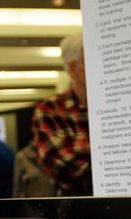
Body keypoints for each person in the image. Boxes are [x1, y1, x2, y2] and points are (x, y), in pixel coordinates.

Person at [31, 32, 91, 196]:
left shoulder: (117, 107)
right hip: (78, 213)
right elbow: (63, 168)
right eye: (91, 60)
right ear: (72, 68)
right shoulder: (51, 109)